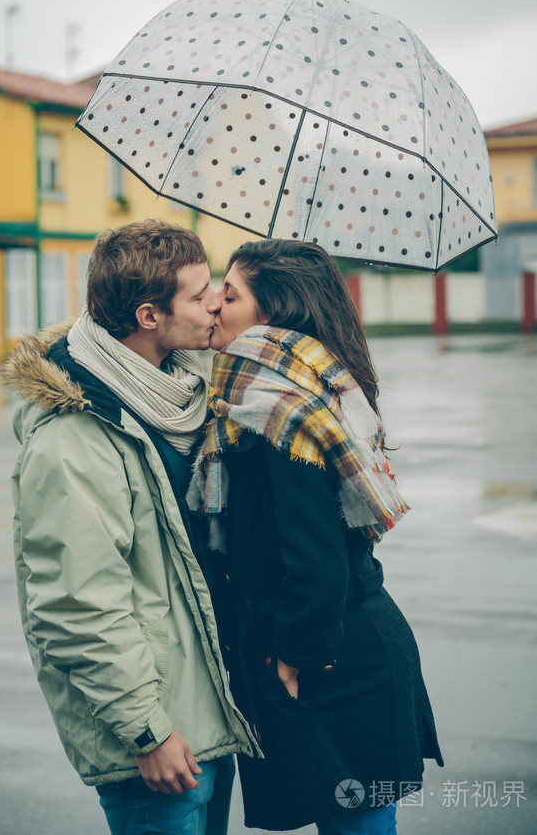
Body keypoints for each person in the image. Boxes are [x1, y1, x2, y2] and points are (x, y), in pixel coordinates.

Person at [4, 219, 260, 835]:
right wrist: (147, 729)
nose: (217, 303)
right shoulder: (75, 439)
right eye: (200, 295)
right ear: (150, 316)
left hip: (204, 716)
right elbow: (76, 605)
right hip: (154, 744)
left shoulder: (178, 393)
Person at [188, 239, 444, 834]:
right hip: (327, 650)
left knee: (359, 823)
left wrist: (296, 658)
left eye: (231, 294)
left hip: (335, 663)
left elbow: (318, 559)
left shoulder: (280, 411)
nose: (216, 307)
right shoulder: (264, 393)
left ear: (271, 311)